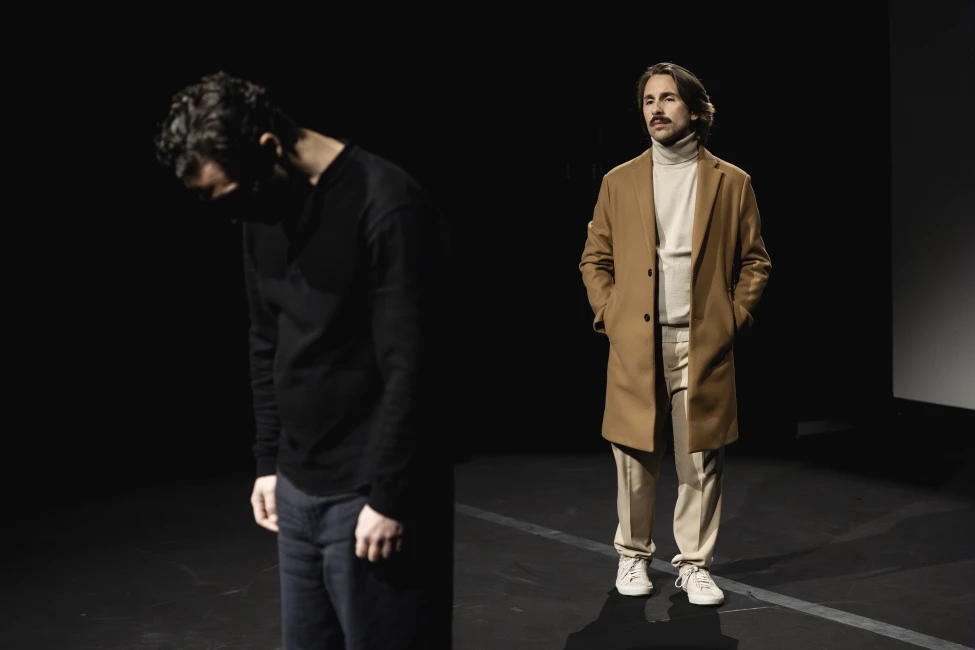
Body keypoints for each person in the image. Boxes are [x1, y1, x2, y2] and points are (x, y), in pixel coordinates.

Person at [153, 70, 454, 649]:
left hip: (371, 497)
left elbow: (416, 368)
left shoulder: (387, 205)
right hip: (296, 491)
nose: (231, 218)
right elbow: (266, 338)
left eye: (228, 197)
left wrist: (392, 497)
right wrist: (269, 459)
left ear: (270, 148)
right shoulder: (263, 208)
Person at [579, 62, 771, 606]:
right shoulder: (619, 181)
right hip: (637, 342)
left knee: (701, 461)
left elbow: (755, 262)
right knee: (634, 458)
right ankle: (633, 555)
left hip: (702, 342)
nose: (656, 110)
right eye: (648, 100)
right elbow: (595, 259)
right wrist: (611, 316)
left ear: (695, 109)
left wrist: (733, 319)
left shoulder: (732, 182)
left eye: (667, 99)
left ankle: (694, 565)